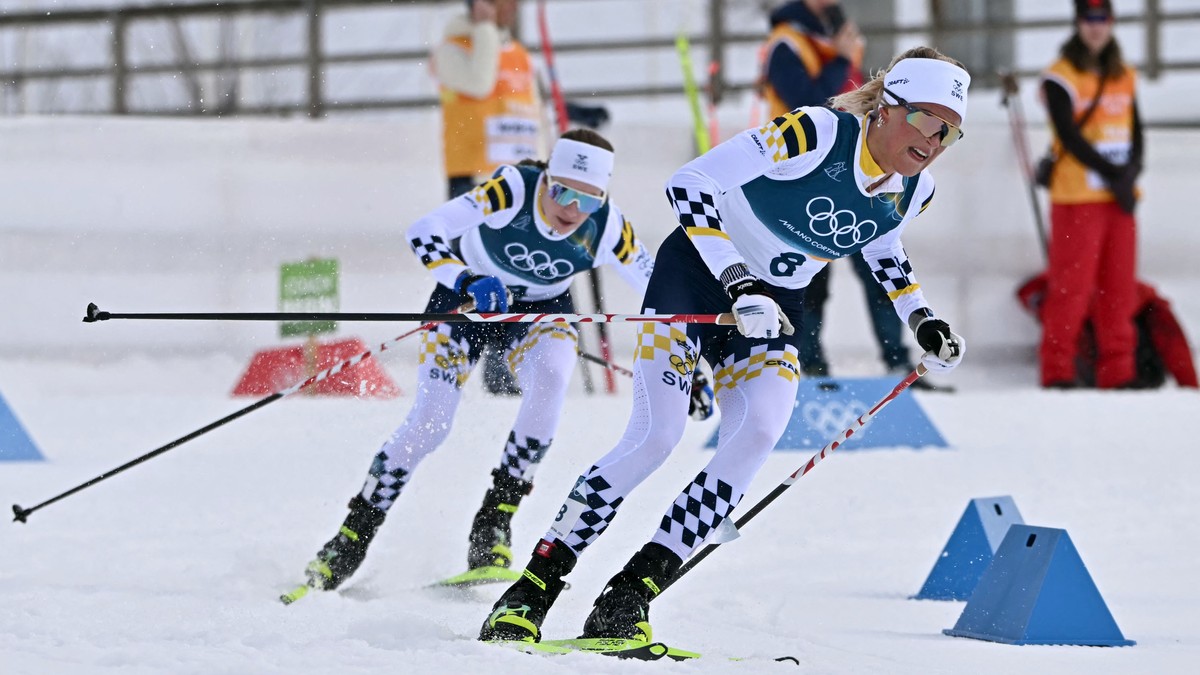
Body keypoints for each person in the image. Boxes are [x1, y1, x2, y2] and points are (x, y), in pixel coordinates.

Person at [479, 47, 969, 644]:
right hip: (696, 280)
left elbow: (882, 245)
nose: (935, 138)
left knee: (758, 434)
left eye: (950, 129)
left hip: (776, 308)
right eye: (925, 118)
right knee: (655, 437)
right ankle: (533, 588)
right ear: (887, 108)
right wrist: (738, 281)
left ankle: (628, 598)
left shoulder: (916, 190)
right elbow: (690, 183)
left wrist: (922, 318)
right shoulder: (816, 132)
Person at [294, 130, 663, 595]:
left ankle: (494, 523)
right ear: (546, 178)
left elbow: (660, 295)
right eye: (562, 191)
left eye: (587, 200)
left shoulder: (608, 226)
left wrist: (689, 361)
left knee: (552, 379)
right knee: (431, 422)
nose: (572, 210)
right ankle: (352, 535)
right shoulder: (511, 188)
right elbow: (424, 232)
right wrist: (466, 278)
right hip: (464, 302)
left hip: (537, 313)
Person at [760, 1, 930, 387]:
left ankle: (897, 363)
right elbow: (809, 103)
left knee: (878, 269)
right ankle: (810, 366)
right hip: (804, 172)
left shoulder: (832, 31)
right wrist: (841, 59)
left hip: (859, 166)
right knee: (810, 278)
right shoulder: (786, 43)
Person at [432, 0, 544, 395]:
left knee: (517, 266)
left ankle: (507, 359)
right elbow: (479, 83)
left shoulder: (517, 51)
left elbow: (529, 111)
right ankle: (456, 361)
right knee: (475, 270)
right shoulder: (453, 46)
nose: (508, 7)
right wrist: (483, 30)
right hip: (475, 176)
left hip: (522, 178)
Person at [1038, 0, 1143, 389]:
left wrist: (1129, 175)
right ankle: (1058, 369)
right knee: (1071, 287)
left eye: (1102, 19)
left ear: (1111, 22)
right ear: (1078, 23)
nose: (1095, 27)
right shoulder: (1060, 75)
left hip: (1117, 198)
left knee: (1120, 287)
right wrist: (1115, 173)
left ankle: (1119, 370)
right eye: (1088, 19)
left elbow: (1136, 131)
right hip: (1076, 196)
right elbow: (1069, 135)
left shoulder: (1124, 73)